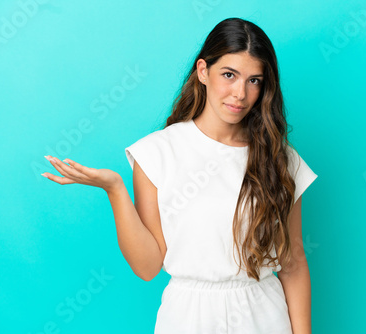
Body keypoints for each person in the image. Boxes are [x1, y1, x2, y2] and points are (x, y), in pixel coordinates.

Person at [42, 17, 318, 334]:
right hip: (189, 318)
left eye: (254, 80)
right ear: (203, 71)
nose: (240, 93)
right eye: (229, 75)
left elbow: (293, 262)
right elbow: (148, 267)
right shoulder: (157, 153)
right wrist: (115, 190)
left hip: (265, 317)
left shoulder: (279, 158)